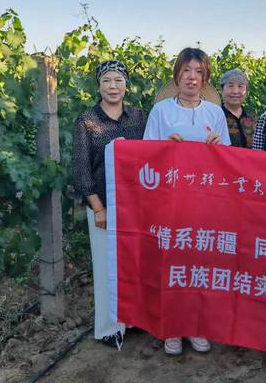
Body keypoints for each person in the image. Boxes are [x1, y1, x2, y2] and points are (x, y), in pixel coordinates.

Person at [143, 47, 230, 355]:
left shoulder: (215, 113)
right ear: (177, 75)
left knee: (200, 264)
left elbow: (228, 161)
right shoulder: (161, 111)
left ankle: (196, 326)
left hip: (204, 201)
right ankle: (172, 327)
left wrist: (219, 147)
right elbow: (146, 154)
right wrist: (164, 148)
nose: (192, 77)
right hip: (170, 200)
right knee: (171, 263)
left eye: (199, 72)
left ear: (205, 79)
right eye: (186, 71)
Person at [73, 60, 147, 348]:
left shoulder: (138, 116)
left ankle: (132, 319)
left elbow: (151, 154)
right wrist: (98, 208)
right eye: (106, 81)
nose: (113, 86)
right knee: (106, 267)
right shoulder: (87, 120)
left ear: (126, 84)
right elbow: (81, 169)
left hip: (136, 204)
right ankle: (108, 328)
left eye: (118, 80)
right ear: (99, 86)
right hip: (104, 205)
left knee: (133, 264)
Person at [220, 68, 256, 148]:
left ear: (246, 92)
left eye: (240, 86)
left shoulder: (253, 119)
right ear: (221, 90)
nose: (235, 91)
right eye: (230, 86)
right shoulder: (215, 116)